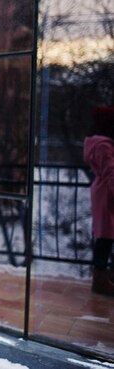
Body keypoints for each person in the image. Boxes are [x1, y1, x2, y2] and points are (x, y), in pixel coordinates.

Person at [84, 106, 114, 296]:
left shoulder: (100, 144)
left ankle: (102, 277)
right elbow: (110, 170)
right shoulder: (104, 145)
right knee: (105, 237)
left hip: (103, 191)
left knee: (105, 236)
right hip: (107, 193)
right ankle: (101, 279)